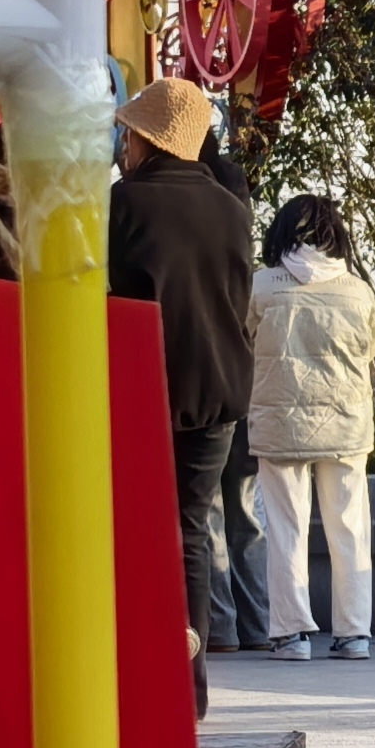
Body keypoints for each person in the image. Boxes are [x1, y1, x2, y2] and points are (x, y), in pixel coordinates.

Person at [108, 76, 257, 695]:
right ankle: (187, 684)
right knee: (191, 530)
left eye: (129, 132)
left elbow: (107, 296)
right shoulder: (232, 207)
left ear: (148, 139)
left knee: (136, 530)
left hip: (144, 385)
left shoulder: (125, 204)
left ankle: (137, 678)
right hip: (219, 390)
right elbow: (238, 299)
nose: (123, 144)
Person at [248, 191, 375, 666]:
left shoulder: (263, 286)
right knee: (349, 530)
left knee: (286, 529)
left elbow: (248, 340)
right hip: (346, 425)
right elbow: (370, 349)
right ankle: (354, 634)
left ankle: (291, 635)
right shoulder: (358, 290)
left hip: (280, 419)